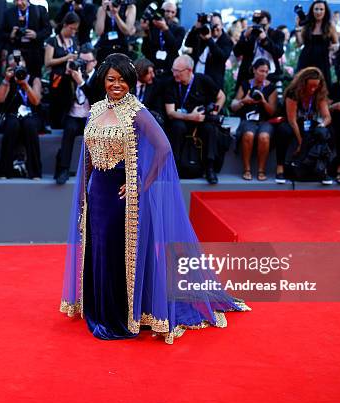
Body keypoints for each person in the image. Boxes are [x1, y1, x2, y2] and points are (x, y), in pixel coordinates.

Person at [59, 53, 249, 345]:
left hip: (123, 198)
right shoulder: (95, 110)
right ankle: (98, 308)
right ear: (103, 80)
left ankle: (121, 315)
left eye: (122, 80)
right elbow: (87, 153)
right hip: (96, 191)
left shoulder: (137, 112)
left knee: (115, 252)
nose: (116, 85)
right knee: (98, 249)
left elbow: (163, 149)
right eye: (111, 79)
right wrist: (85, 189)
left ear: (131, 81)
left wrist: (140, 185)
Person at [165, 55, 226, 184]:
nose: (175, 74)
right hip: (182, 120)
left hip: (201, 120)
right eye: (173, 70)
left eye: (178, 71)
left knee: (210, 129)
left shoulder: (203, 80)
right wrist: (190, 117)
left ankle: (210, 168)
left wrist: (214, 111)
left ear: (189, 70)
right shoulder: (171, 83)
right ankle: (174, 166)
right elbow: (170, 112)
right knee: (177, 127)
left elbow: (221, 96)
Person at [275, 67, 332, 184]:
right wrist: (300, 142)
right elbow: (292, 120)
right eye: (310, 86)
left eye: (316, 86)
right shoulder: (293, 92)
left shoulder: (319, 92)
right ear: (303, 83)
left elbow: (327, 117)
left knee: (326, 132)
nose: (313, 89)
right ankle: (280, 167)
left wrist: (321, 125)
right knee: (283, 131)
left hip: (310, 122)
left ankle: (323, 169)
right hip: (294, 122)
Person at [0, 50, 42, 179]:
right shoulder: (7, 78)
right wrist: (6, 80)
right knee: (12, 125)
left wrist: (25, 84)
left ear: (25, 63)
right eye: (13, 61)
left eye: (20, 60)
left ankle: (35, 172)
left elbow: (36, 101)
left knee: (30, 126)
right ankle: (4, 170)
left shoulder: (33, 79)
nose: (17, 63)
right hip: (12, 114)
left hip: (30, 114)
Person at [55, 47, 98, 185]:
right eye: (81, 61)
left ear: (95, 62)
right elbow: (58, 98)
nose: (84, 65)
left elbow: (97, 101)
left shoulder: (100, 78)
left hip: (92, 118)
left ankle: (97, 172)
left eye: (88, 62)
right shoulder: (71, 75)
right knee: (69, 129)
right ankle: (63, 169)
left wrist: (82, 83)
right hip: (73, 116)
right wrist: (66, 76)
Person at [230, 58, 278, 181]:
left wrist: (263, 102)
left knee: (264, 136)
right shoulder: (245, 84)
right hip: (248, 120)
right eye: (261, 71)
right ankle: (247, 169)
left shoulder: (271, 88)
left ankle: (261, 170)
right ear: (254, 70)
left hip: (265, 121)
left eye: (266, 72)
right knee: (249, 134)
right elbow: (233, 106)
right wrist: (243, 101)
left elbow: (272, 112)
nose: (264, 74)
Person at [233, 10, 285, 91]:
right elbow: (236, 52)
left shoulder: (277, 34)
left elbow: (278, 53)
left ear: (269, 23)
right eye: (257, 24)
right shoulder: (249, 33)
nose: (260, 27)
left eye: (263, 25)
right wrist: (245, 37)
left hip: (271, 74)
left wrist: (265, 39)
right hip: (250, 74)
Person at [44, 11, 79, 129]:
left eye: (76, 29)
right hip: (57, 79)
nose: (73, 31)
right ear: (65, 25)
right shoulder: (52, 40)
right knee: (56, 105)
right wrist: (66, 58)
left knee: (68, 105)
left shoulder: (73, 40)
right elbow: (47, 62)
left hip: (70, 79)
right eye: (72, 28)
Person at [1, 0, 52, 77]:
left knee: (34, 78)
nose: (19, 3)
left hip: (34, 52)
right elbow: (2, 33)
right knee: (15, 77)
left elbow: (48, 30)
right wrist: (11, 35)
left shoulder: (39, 10)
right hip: (16, 50)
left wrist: (36, 35)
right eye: (16, 0)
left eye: (21, 0)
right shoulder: (8, 13)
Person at [295, 0, 339, 88]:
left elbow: (336, 44)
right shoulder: (307, 25)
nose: (319, 12)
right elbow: (300, 43)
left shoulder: (330, 26)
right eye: (316, 9)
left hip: (322, 61)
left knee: (322, 88)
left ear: (325, 11)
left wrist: (332, 50)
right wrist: (298, 27)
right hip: (306, 60)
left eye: (321, 9)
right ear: (312, 11)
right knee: (302, 86)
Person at [185, 13, 233, 90]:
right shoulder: (202, 33)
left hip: (212, 83)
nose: (214, 28)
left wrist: (209, 40)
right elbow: (187, 43)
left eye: (216, 25)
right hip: (195, 78)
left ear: (222, 25)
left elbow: (222, 57)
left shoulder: (226, 40)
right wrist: (195, 28)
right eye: (211, 25)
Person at [140, 1, 184, 77]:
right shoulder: (152, 27)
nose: (170, 15)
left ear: (176, 13)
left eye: (173, 12)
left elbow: (176, 47)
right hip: (153, 73)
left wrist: (165, 29)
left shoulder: (179, 29)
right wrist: (146, 31)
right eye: (167, 11)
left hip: (170, 73)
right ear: (161, 10)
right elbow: (145, 50)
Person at [93, 0, 136, 64]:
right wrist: (103, 10)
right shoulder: (102, 8)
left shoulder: (130, 7)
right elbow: (99, 32)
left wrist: (115, 14)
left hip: (122, 49)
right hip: (105, 48)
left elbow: (127, 31)